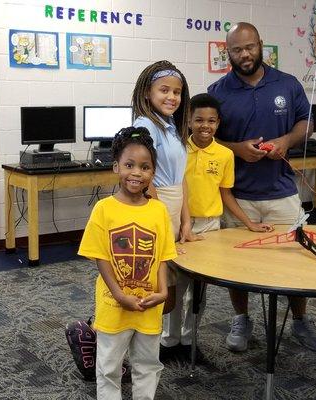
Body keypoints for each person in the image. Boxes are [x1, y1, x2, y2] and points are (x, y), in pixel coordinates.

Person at [208, 22, 316, 353]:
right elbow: (206, 137)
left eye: (249, 47)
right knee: (237, 265)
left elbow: (307, 121)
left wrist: (286, 141)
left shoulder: (287, 84)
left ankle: (300, 320)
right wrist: (237, 149)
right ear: (227, 52)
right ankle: (242, 319)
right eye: (236, 50)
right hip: (238, 197)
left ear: (261, 45)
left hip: (282, 193)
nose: (244, 55)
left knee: (296, 261)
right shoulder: (218, 91)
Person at [168, 93, 275, 361]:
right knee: (176, 287)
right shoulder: (179, 149)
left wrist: (249, 223)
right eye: (199, 120)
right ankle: (169, 342)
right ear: (189, 121)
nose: (206, 125)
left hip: (210, 228)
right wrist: (181, 225)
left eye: (212, 121)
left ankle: (190, 339)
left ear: (218, 123)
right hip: (180, 226)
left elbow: (226, 194)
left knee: (199, 291)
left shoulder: (225, 155)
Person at [78, 127, 177, 400]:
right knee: (109, 365)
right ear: (116, 167)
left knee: (147, 363)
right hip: (114, 304)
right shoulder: (104, 209)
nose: (137, 172)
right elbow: (101, 257)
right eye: (129, 165)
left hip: (148, 304)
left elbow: (163, 255)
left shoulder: (158, 210)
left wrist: (164, 291)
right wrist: (120, 295)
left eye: (145, 167)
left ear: (152, 173)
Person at [131, 60, 201, 361]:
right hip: (153, 214)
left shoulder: (171, 127)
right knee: (153, 293)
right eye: (164, 90)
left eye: (177, 92)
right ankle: (101, 336)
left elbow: (180, 179)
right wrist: (162, 225)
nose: (172, 97)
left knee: (166, 297)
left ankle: (128, 348)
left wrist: (185, 224)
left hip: (172, 214)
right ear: (148, 93)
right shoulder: (145, 125)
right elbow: (145, 180)